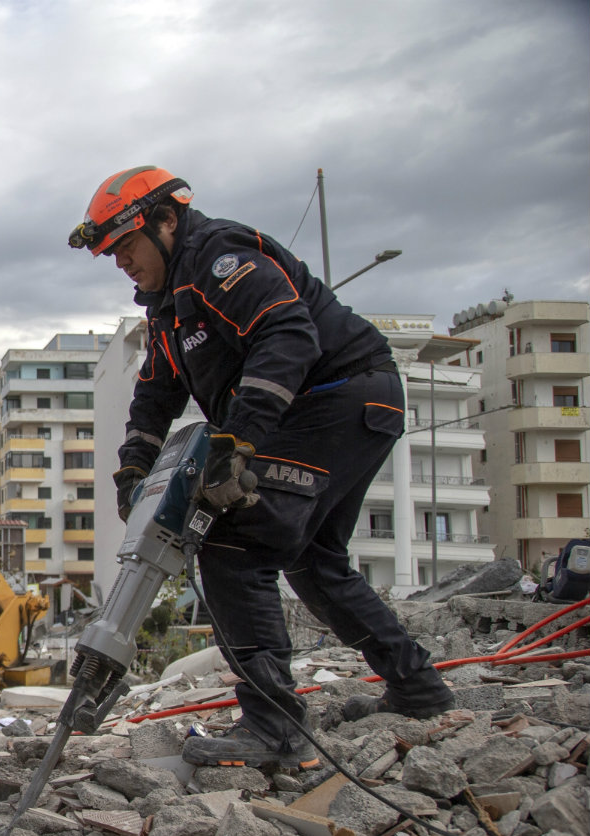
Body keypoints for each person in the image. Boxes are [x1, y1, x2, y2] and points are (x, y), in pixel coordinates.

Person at [69, 167, 454, 768]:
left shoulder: (216, 256)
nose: (121, 263)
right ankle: (420, 690)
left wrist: (239, 440)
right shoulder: (169, 308)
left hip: (340, 394)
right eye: (111, 254)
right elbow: (155, 395)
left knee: (234, 543)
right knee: (313, 559)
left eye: (125, 246)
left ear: (166, 222)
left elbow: (287, 332)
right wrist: (133, 470)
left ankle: (273, 731)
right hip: (352, 403)